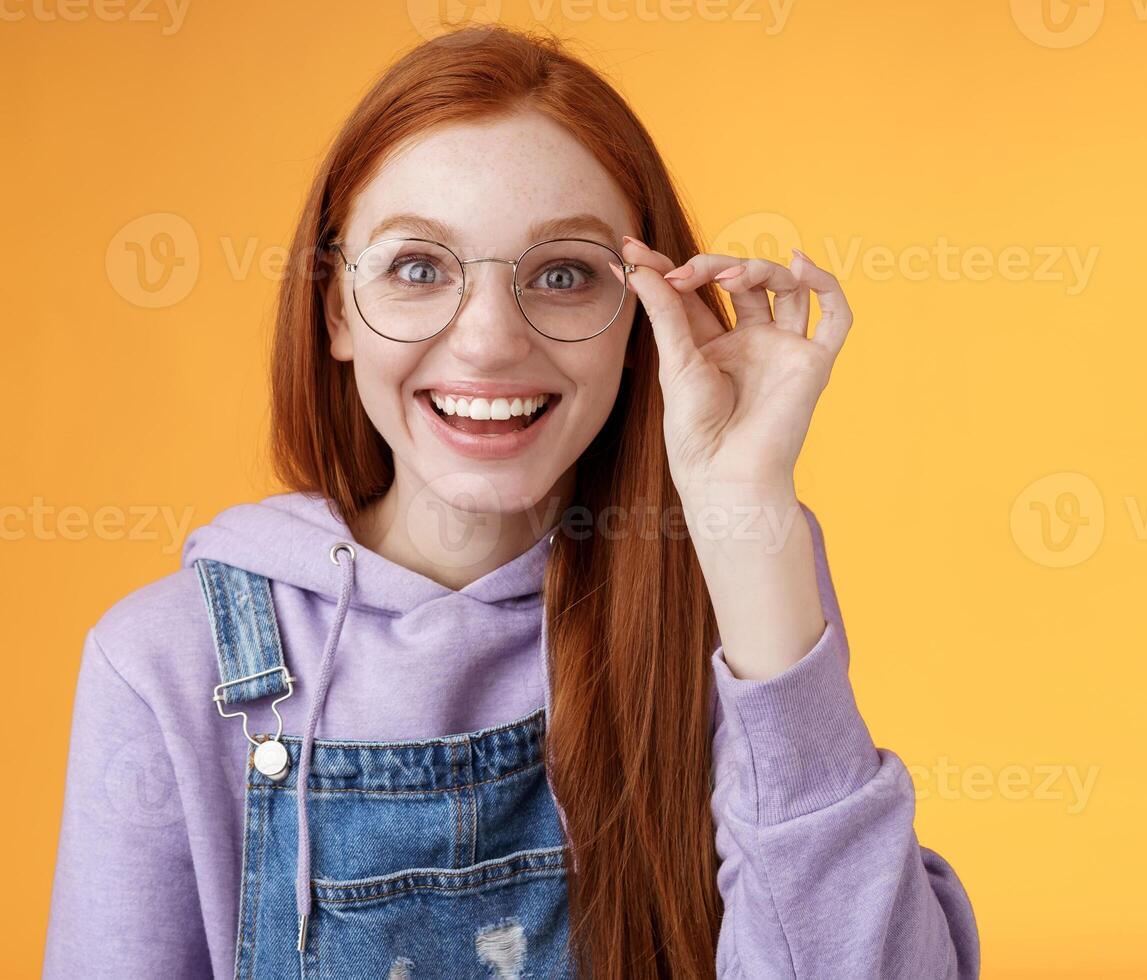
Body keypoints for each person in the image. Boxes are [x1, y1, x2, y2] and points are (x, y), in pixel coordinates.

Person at [43, 24, 980, 979]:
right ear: (335, 311)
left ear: (645, 322)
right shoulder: (164, 666)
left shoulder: (732, 614)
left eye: (565, 274)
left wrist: (749, 516)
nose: (489, 342)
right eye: (418, 269)